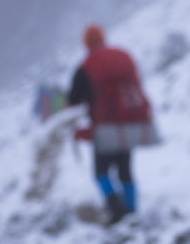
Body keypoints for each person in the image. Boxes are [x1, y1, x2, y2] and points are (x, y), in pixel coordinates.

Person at [64, 24, 156, 220]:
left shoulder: (87, 66)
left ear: (86, 43)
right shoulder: (124, 56)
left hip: (106, 128)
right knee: (125, 172)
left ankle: (115, 209)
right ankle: (131, 210)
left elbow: (73, 99)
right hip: (133, 124)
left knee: (101, 173)